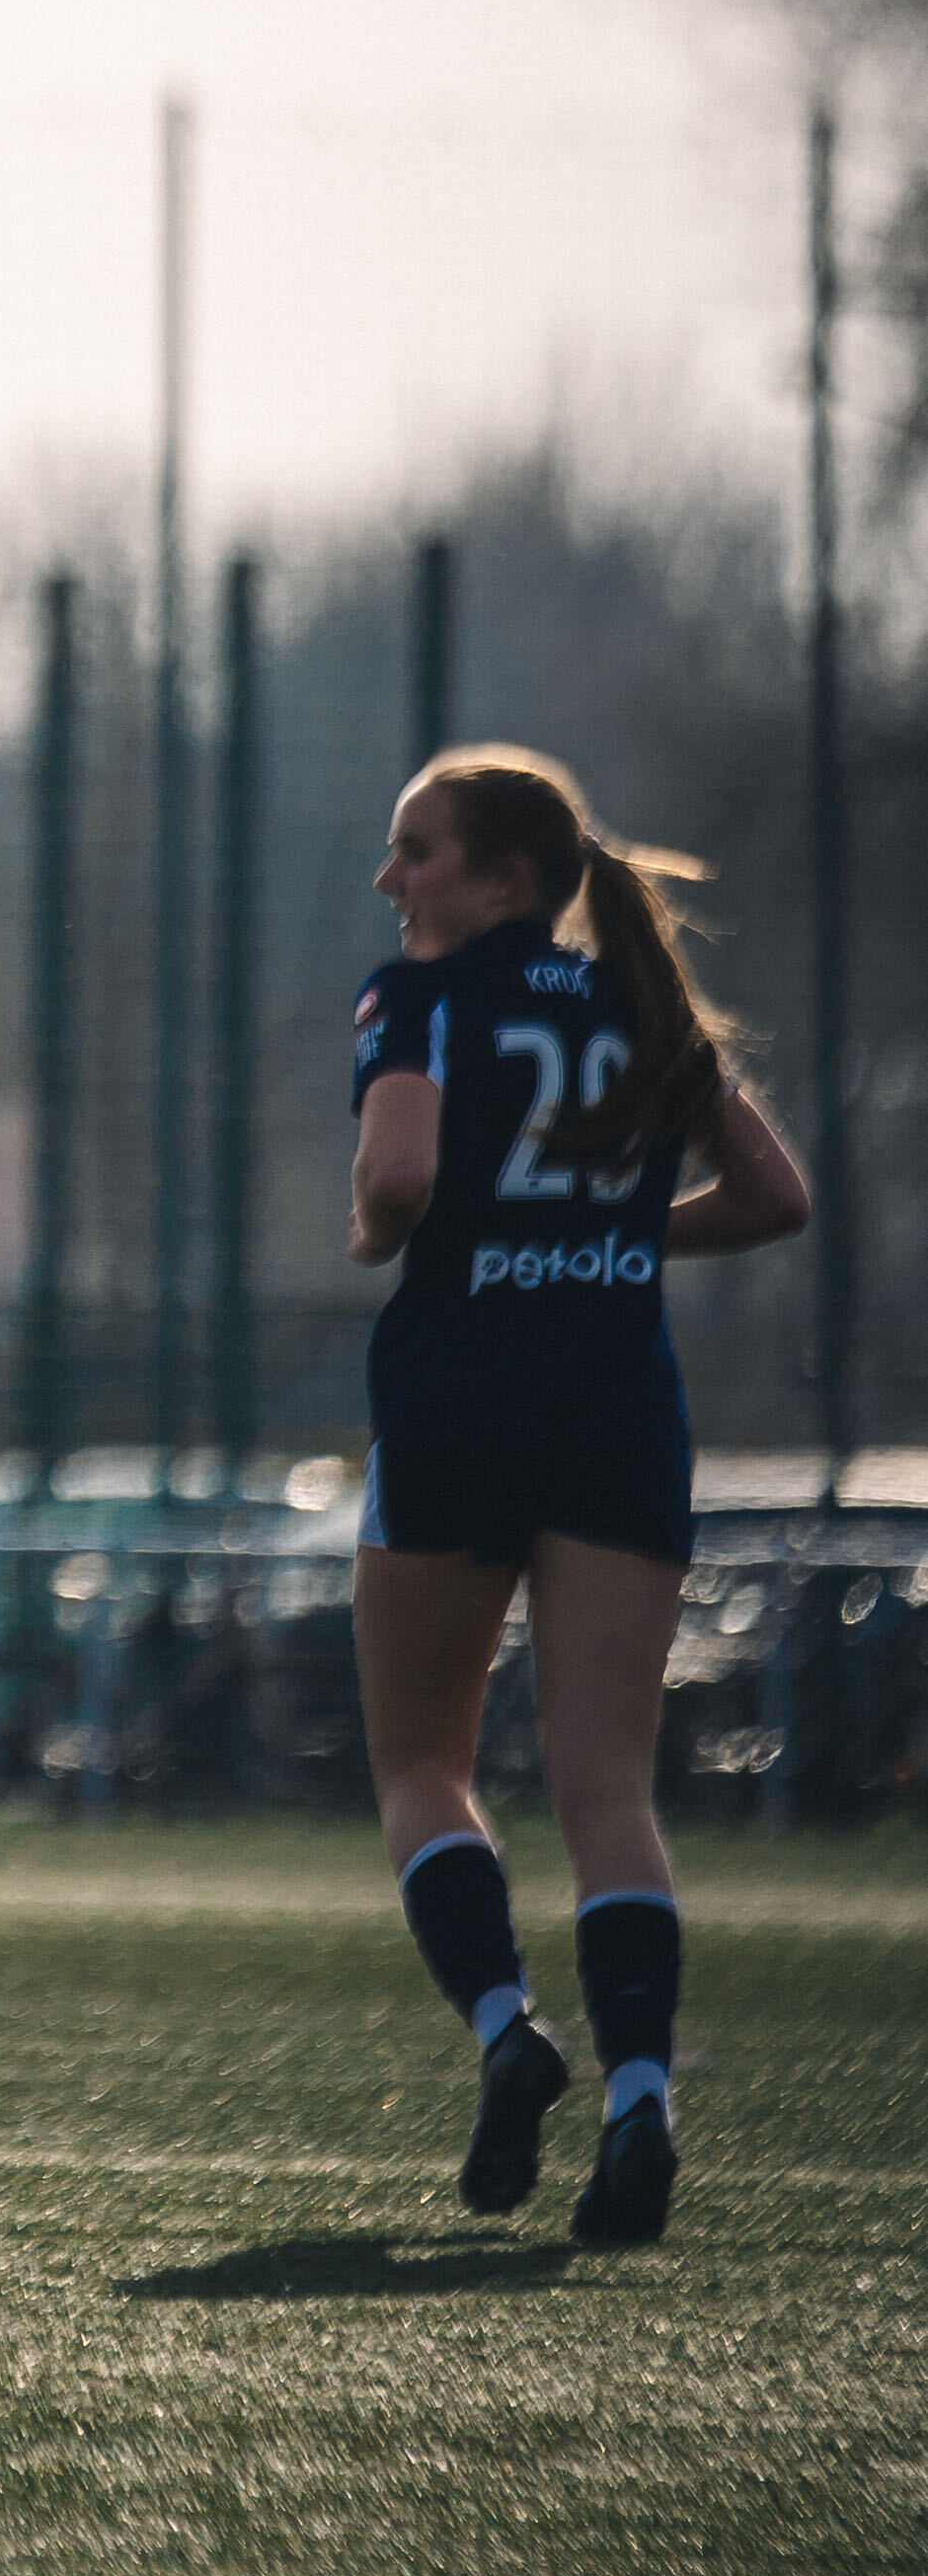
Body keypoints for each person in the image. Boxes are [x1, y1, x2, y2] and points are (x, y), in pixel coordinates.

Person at [348, 744, 810, 2248]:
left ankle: (501, 2024)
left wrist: (372, 1226)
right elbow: (773, 1196)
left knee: (423, 1761)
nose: (390, 877)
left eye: (416, 850)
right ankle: (641, 2100)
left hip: (457, 1390)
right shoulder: (637, 1001)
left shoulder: (417, 995)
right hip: (617, 1402)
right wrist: (609, 1235)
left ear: (501, 880)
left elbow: (403, 1177)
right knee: (606, 1784)